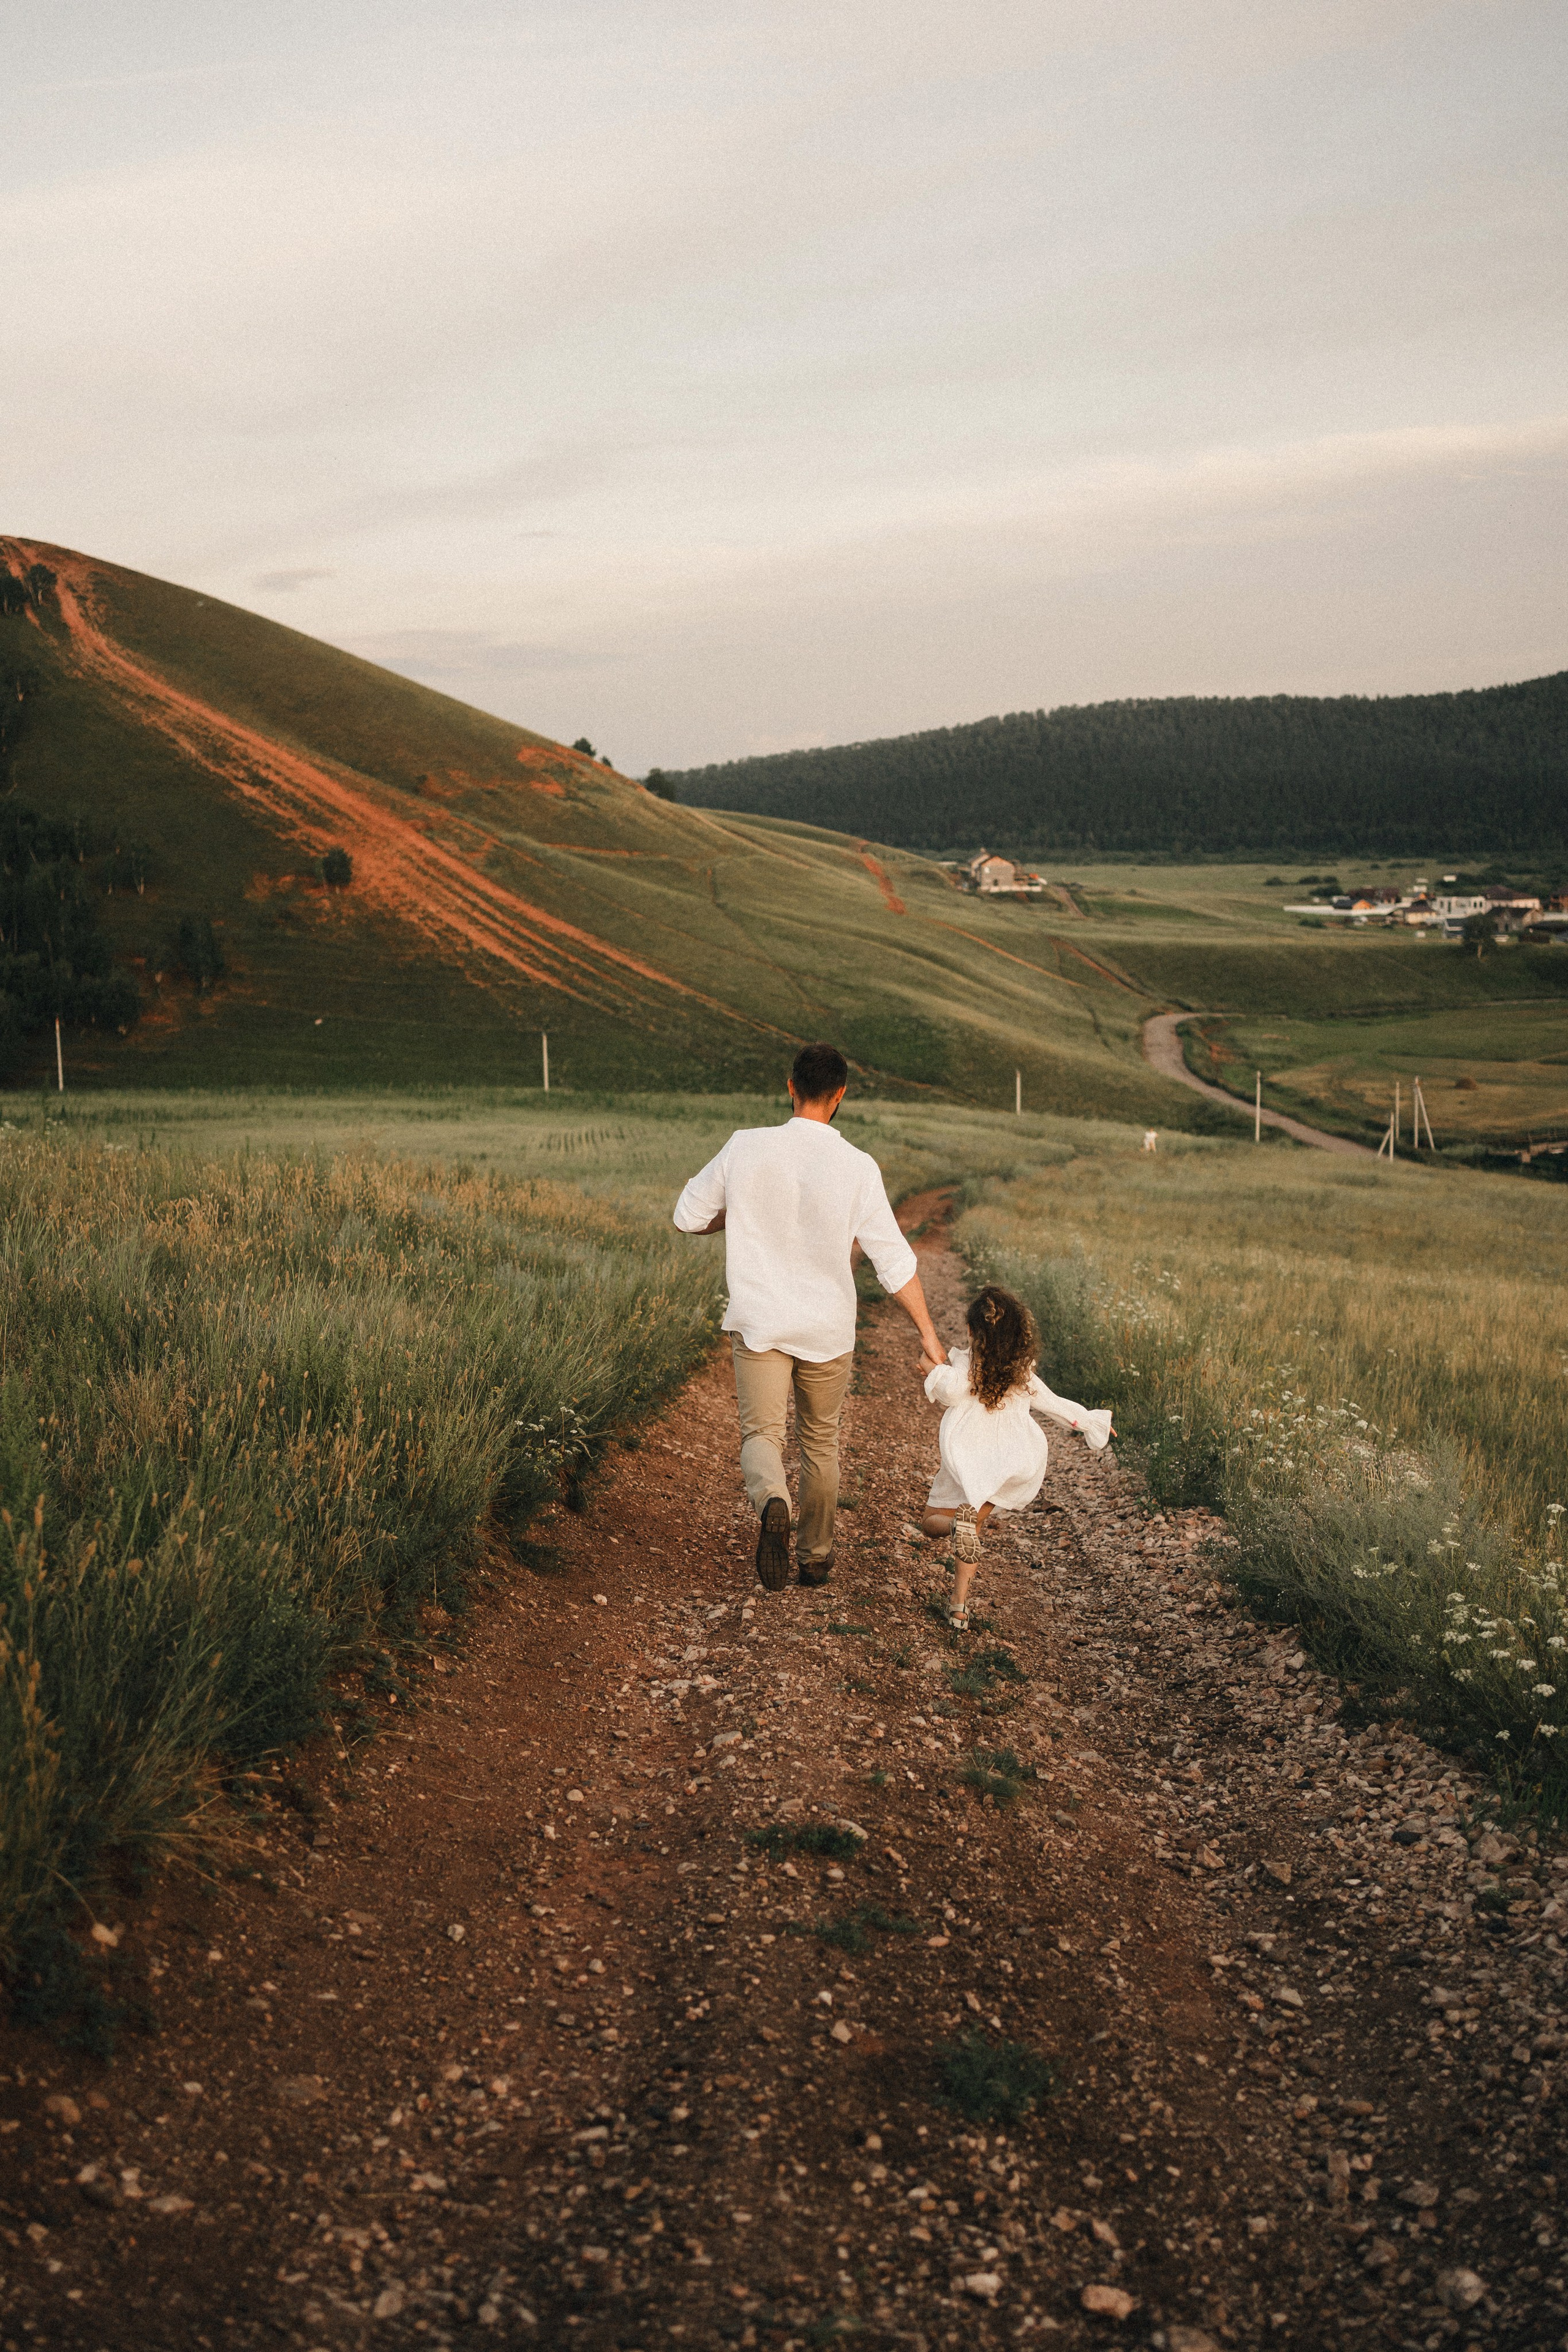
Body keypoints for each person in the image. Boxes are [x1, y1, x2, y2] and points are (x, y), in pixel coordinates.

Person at [673, 1041, 947, 1591]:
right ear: (840, 1095)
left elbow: (687, 1216)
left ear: (790, 1087)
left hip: (760, 1322)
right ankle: (815, 1557)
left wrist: (738, 1215)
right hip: (827, 1328)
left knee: (761, 1436)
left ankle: (773, 1499)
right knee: (821, 1441)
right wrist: (929, 1336)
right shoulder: (858, 1167)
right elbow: (893, 1261)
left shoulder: (745, 1147)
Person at [919, 1283, 1112, 1626]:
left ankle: (953, 1526)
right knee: (974, 1524)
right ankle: (959, 1606)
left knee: (932, 1522)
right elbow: (1056, 1406)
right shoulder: (1021, 1375)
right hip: (1009, 1462)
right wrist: (1091, 1422)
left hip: (967, 1458)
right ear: (1016, 1337)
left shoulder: (964, 1365)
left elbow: (948, 1389)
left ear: (970, 1332)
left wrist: (929, 1366)